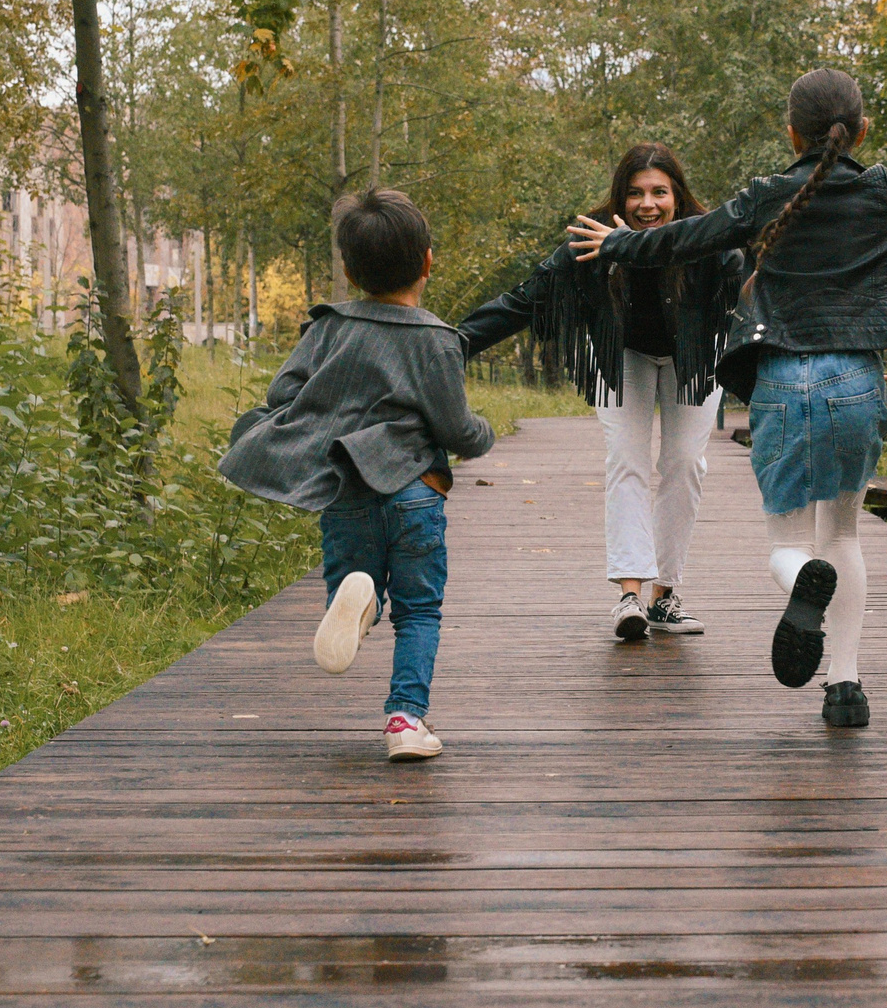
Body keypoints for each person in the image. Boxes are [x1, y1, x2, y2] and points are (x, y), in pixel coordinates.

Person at [569, 69, 887, 728]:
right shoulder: (886, 191)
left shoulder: (765, 197)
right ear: (861, 131)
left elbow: (687, 237)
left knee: (788, 543)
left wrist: (621, 241)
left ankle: (798, 589)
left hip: (784, 386)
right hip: (857, 384)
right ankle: (845, 686)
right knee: (842, 533)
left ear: (791, 133)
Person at [217, 188, 495, 762]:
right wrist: (483, 434)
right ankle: (405, 721)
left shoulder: (326, 329)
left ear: (347, 268)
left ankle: (357, 601)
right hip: (415, 493)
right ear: (427, 261)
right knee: (418, 610)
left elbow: (285, 395)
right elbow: (455, 428)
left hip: (346, 488)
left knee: (352, 581)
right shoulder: (436, 339)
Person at [458, 143, 745, 641]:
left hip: (695, 355)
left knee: (684, 463)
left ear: (677, 195)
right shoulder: (590, 237)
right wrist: (449, 344)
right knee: (627, 460)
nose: (647, 204)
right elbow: (527, 297)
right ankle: (630, 595)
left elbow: (758, 297)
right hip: (621, 353)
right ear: (620, 195)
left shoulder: (709, 236)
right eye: (635, 193)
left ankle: (666, 596)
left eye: (659, 192)